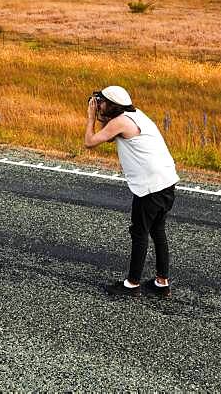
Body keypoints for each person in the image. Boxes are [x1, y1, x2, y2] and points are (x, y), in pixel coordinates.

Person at [84, 86, 179, 298]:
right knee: (157, 232)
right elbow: (109, 136)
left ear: (113, 105)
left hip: (150, 188)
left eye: (101, 102)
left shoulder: (120, 122)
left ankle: (132, 284)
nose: (98, 105)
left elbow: (90, 142)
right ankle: (162, 283)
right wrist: (101, 115)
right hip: (167, 181)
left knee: (140, 234)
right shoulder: (134, 115)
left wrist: (91, 118)